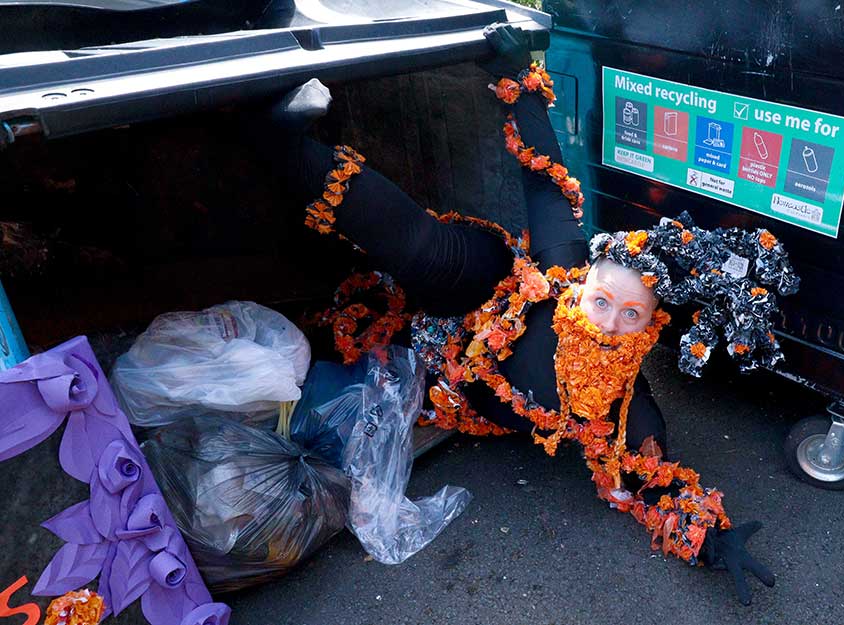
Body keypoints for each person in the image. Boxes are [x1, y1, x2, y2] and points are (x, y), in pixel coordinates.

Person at [252, 24, 797, 605]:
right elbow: (545, 179)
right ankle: (290, 148)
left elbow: (651, 480)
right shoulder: (559, 269)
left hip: (453, 369)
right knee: (423, 249)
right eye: (602, 301)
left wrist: (714, 541)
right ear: (583, 286)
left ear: (652, 327)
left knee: (359, 345)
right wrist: (517, 75)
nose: (610, 322)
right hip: (484, 289)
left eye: (632, 315)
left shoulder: (619, 410)